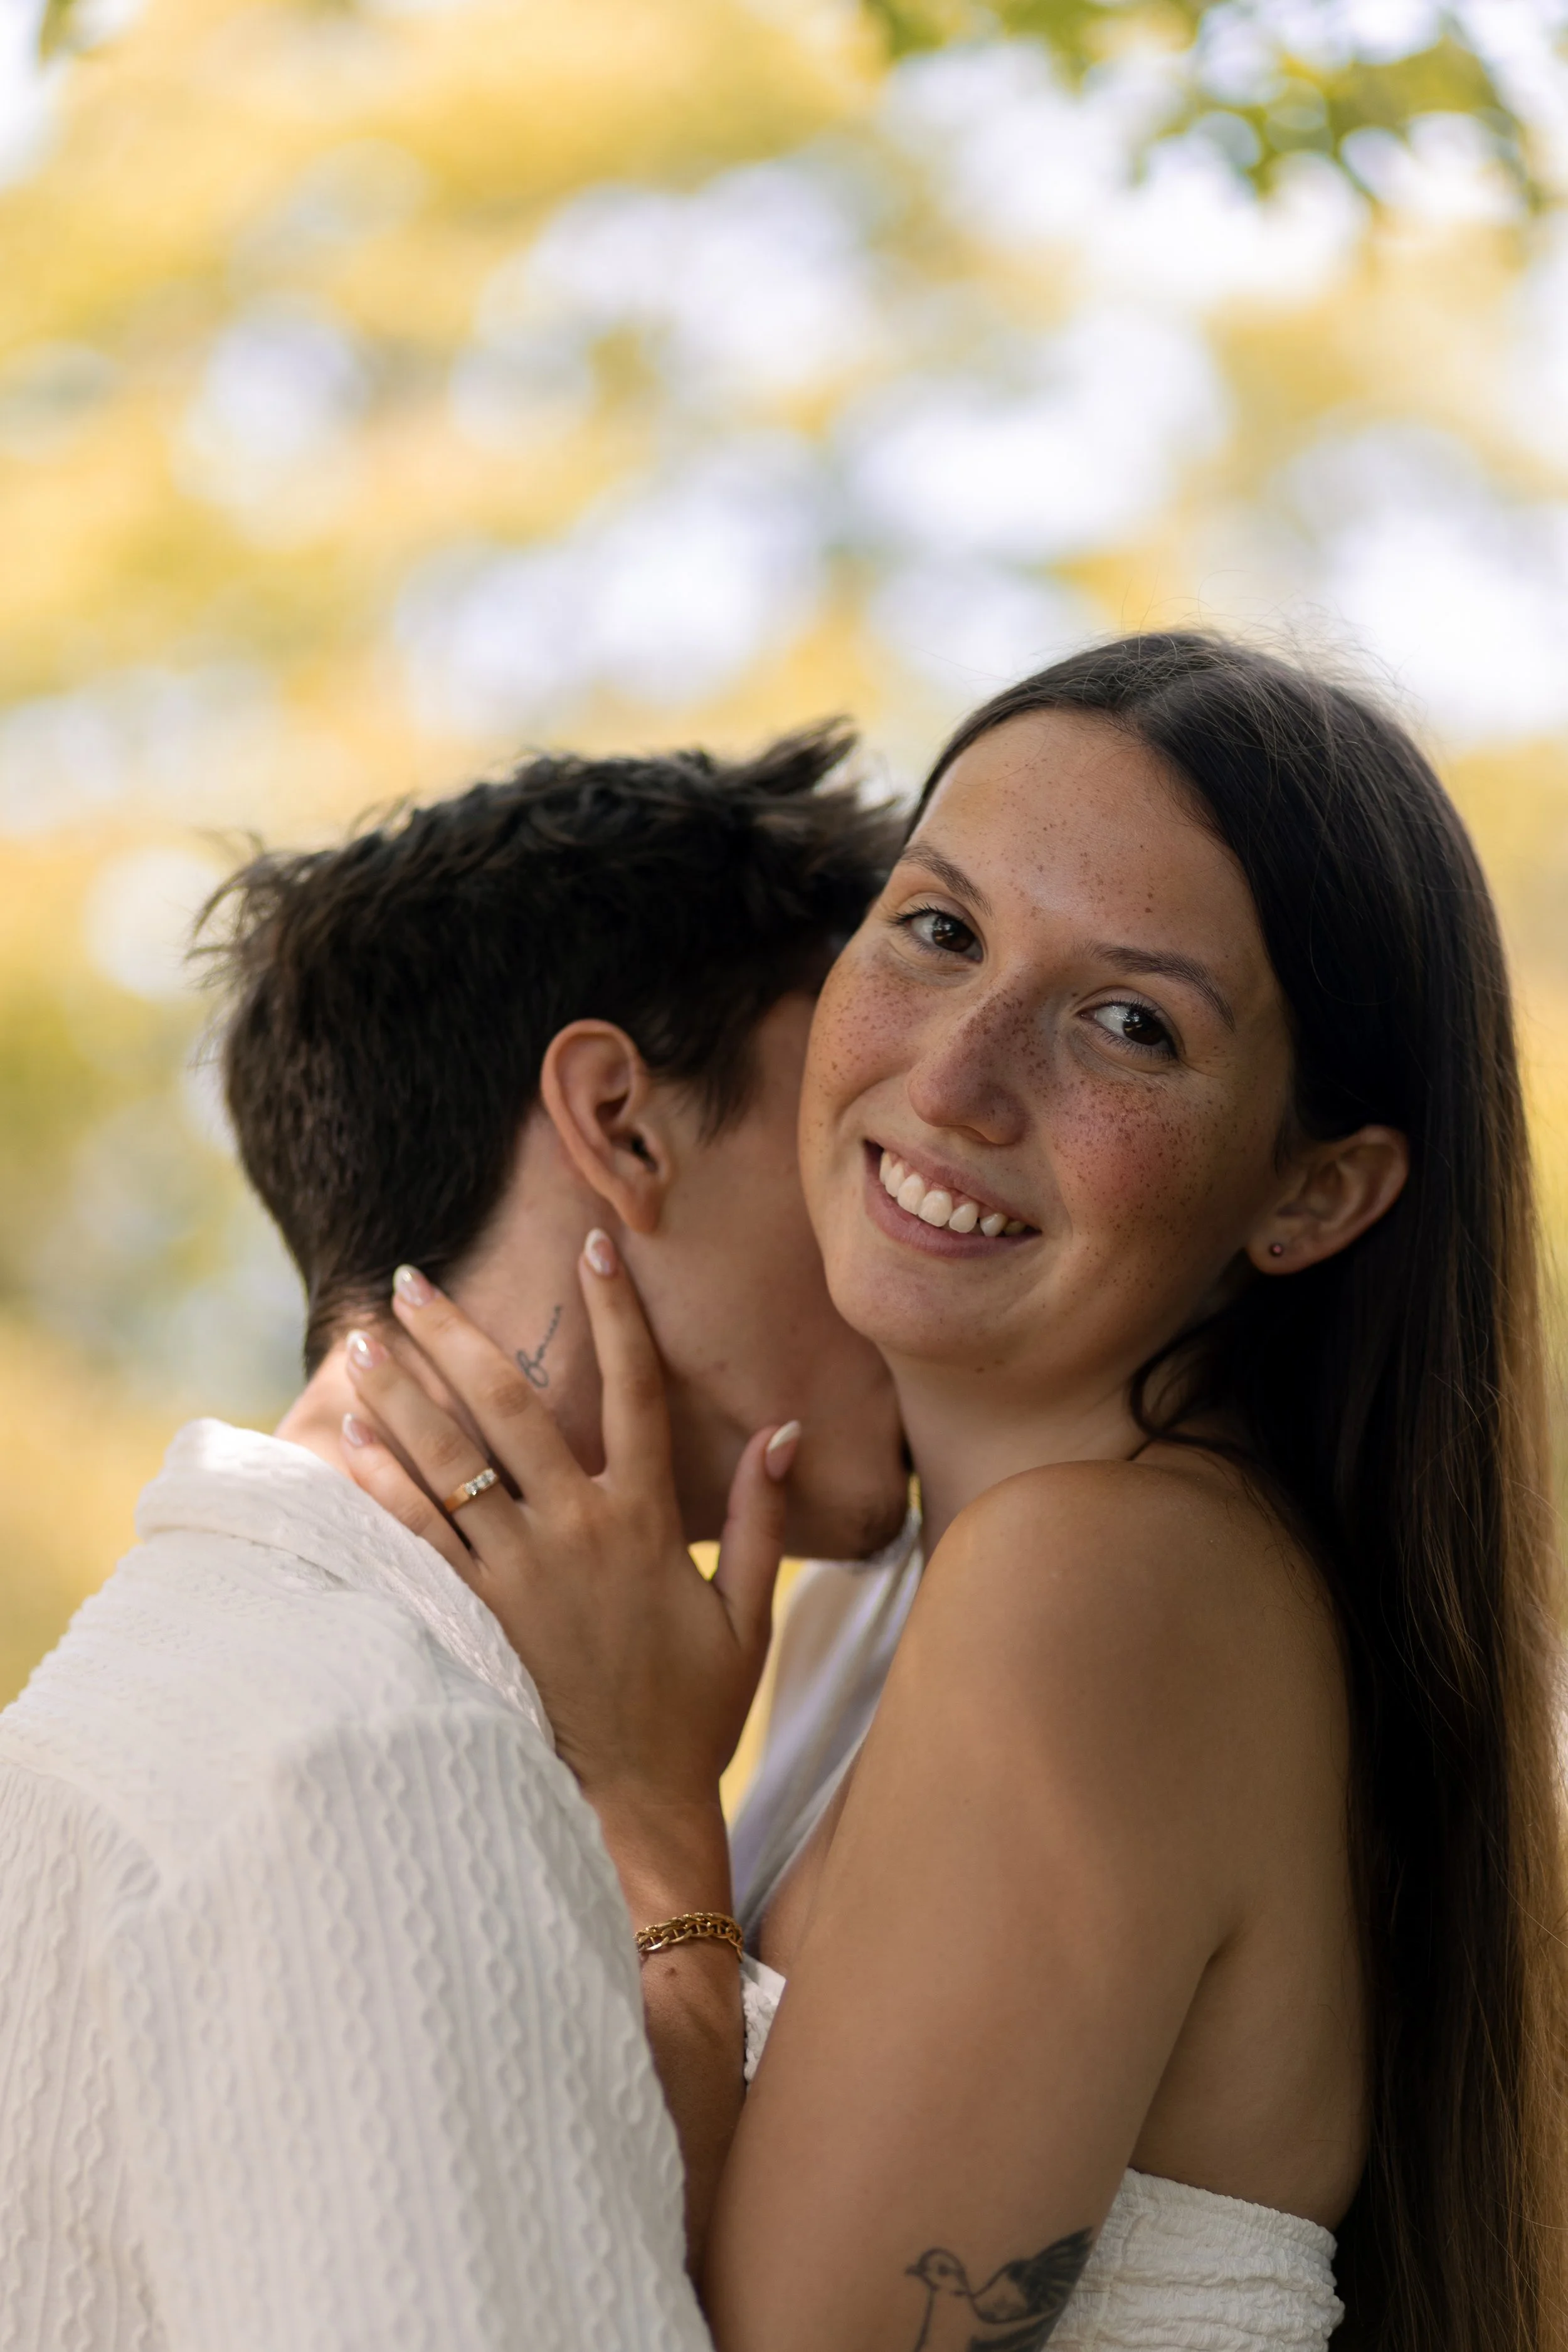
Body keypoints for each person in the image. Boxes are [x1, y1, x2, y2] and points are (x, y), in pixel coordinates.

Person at [342, 635, 1568, 2352]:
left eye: (1128, 1022)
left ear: (1309, 1192)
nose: (957, 1075)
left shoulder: (1104, 1585)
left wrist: (644, 1806)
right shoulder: (902, 1584)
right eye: (937, 929)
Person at [0, 728, 909, 2348]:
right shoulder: (365, 1759)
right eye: (853, 1127)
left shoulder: (205, 1687)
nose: (914, 1210)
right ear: (620, 1120)